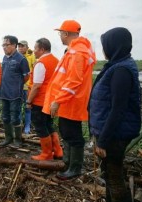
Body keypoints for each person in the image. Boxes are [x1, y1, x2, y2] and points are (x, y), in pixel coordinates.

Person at [89, 27, 141, 202]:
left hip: (115, 134)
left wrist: (103, 140)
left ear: (114, 46)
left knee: (114, 176)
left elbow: (118, 109)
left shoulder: (121, 71)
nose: (103, 50)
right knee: (110, 173)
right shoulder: (117, 65)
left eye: (105, 45)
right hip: (112, 131)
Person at [42, 20, 96, 180]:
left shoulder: (77, 52)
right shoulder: (76, 50)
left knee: (73, 135)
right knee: (67, 132)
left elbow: (73, 80)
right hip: (69, 101)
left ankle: (74, 168)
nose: (60, 36)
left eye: (60, 33)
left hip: (71, 102)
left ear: (66, 34)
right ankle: (68, 163)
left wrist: (58, 100)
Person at [26, 38, 61, 160]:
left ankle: (46, 153)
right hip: (52, 100)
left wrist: (29, 101)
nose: (34, 51)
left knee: (40, 126)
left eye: (35, 48)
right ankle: (58, 150)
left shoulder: (41, 63)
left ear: (42, 49)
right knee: (49, 125)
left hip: (41, 100)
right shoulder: (57, 61)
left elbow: (36, 85)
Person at [0, 35, 30, 148]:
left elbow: (26, 77)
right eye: (3, 45)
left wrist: (17, 85)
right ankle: (8, 138)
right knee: (5, 117)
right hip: (4, 93)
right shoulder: (5, 58)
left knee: (15, 117)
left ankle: (18, 140)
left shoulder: (21, 59)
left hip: (15, 94)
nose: (4, 47)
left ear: (14, 45)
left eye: (6, 45)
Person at [18, 40, 36, 134]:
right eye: (19, 46)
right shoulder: (16, 56)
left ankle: (28, 126)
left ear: (27, 47)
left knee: (28, 107)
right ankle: (20, 124)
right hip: (18, 87)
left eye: (22, 46)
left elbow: (34, 69)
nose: (21, 48)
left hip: (28, 86)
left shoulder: (31, 56)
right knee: (18, 107)